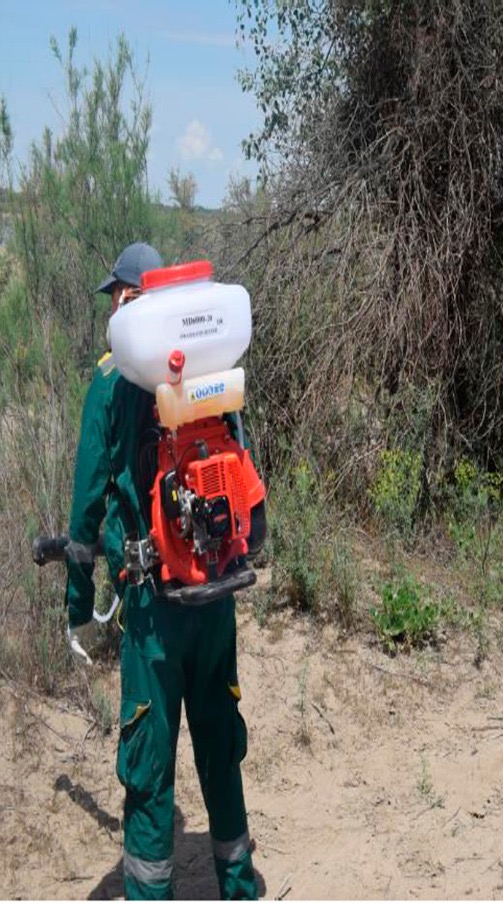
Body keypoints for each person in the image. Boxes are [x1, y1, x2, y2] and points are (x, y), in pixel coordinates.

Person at [66, 243, 258, 900]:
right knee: (219, 741)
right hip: (217, 592)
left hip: (152, 613)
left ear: (124, 299)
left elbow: (88, 503)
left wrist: (75, 603)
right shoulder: (210, 375)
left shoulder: (111, 384)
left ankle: (151, 892)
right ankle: (238, 881)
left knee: (149, 767)